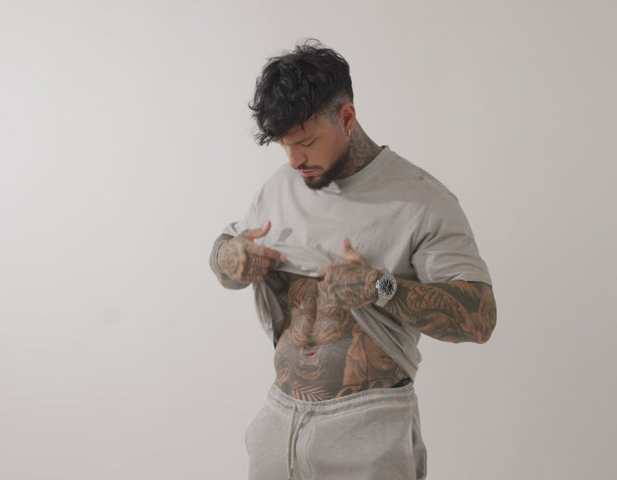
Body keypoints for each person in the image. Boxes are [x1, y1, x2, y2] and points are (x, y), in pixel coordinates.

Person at [209, 40, 496, 480]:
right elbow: (225, 250)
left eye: (305, 142)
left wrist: (381, 287)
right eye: (284, 146)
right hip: (278, 421)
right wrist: (230, 258)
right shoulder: (280, 186)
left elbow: (480, 319)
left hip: (367, 429)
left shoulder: (421, 200)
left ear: (346, 118)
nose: (294, 160)